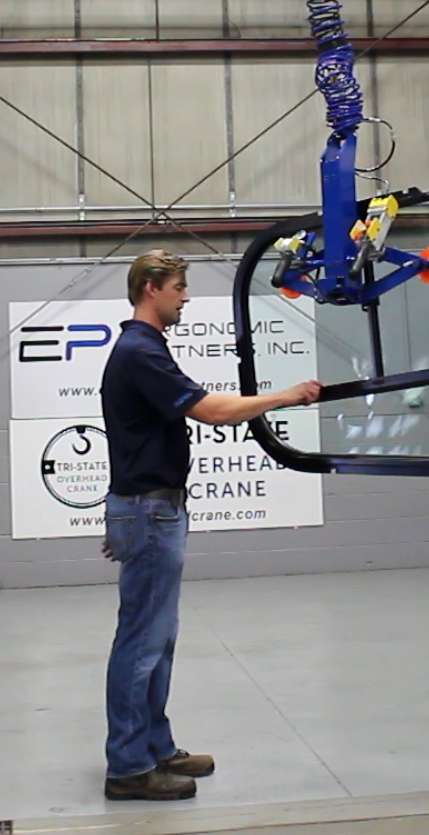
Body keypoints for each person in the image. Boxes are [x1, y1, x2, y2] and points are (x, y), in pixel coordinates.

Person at [98, 249, 321, 802]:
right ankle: (128, 766)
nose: (186, 297)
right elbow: (210, 410)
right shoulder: (139, 350)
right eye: (178, 287)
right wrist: (286, 396)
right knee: (142, 642)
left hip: (149, 509)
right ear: (151, 288)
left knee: (158, 639)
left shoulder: (145, 347)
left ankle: (154, 747)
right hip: (149, 511)